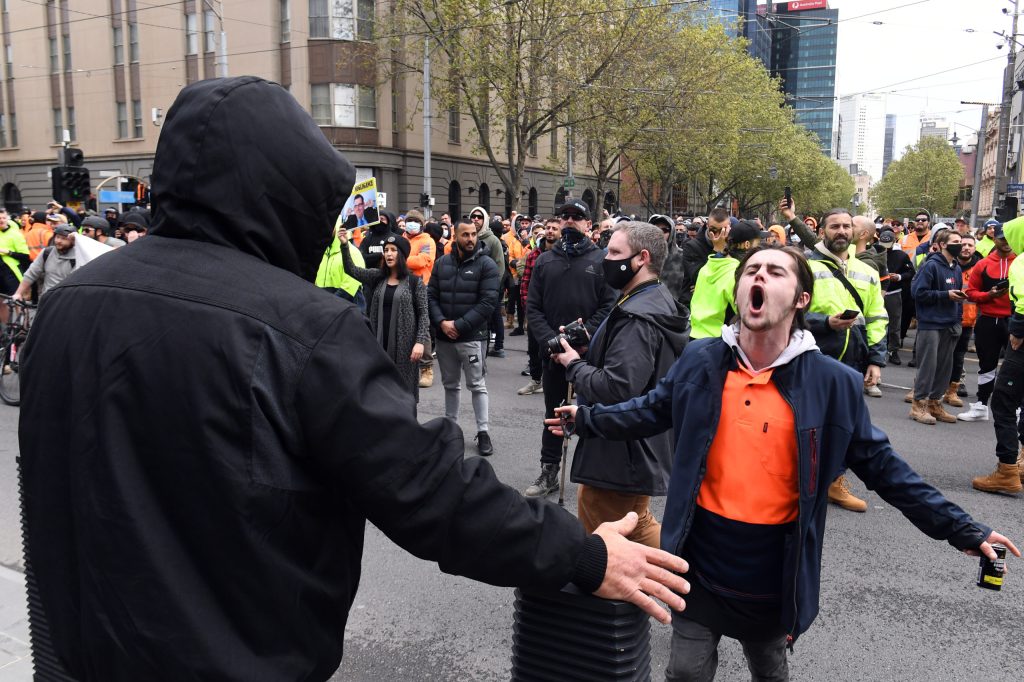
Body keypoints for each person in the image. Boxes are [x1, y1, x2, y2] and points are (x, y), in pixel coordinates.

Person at [18, 76, 690, 682]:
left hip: (85, 653)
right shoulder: (302, 326)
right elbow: (428, 490)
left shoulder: (68, 303)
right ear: (287, 198)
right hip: (236, 658)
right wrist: (583, 556)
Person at [549, 244, 1019, 682]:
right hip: (697, 556)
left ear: (800, 299)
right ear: (738, 294)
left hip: (774, 569)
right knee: (686, 671)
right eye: (750, 271)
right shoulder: (701, 359)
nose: (759, 277)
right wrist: (586, 418)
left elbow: (886, 469)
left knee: (770, 669)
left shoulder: (831, 382)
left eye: (774, 272)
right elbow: (650, 409)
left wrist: (963, 529)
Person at [551, 221, 689, 547]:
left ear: (642, 258)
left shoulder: (637, 314)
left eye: (615, 252)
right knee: (636, 522)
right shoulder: (648, 299)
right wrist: (590, 349)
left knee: (609, 534)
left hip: (620, 450)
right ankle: (683, 578)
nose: (606, 258)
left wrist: (573, 364)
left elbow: (618, 386)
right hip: (631, 446)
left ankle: (682, 579)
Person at [524, 199, 615, 497]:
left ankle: (598, 476)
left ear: (589, 224)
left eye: (578, 217)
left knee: (593, 413)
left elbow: (610, 305)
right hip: (552, 354)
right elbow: (533, 307)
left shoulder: (602, 261)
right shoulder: (544, 261)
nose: (571, 221)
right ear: (559, 222)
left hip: (590, 355)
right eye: (566, 216)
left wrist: (583, 334)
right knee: (554, 414)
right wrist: (551, 341)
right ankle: (549, 470)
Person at [804, 208, 888, 512]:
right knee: (803, 421)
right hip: (812, 356)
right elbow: (791, 312)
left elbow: (878, 316)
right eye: (834, 226)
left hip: (853, 361)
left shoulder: (867, 271)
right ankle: (795, 480)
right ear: (822, 231)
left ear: (854, 231)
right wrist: (826, 322)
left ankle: (834, 483)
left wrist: (875, 361)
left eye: (846, 226)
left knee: (845, 425)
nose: (841, 231)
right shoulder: (806, 266)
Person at [428, 218, 500, 456]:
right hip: (445, 337)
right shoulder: (441, 264)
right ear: (455, 237)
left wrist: (458, 325)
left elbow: (488, 302)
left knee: (477, 386)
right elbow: (431, 296)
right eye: (465, 235)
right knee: (450, 385)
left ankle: (483, 432)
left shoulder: (487, 264)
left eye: (473, 234)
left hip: (471, 337)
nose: (470, 239)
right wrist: (441, 322)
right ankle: (451, 428)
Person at [339, 231, 429, 403]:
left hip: (405, 348)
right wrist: (344, 245)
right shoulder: (377, 277)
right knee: (379, 391)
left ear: (402, 254)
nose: (388, 253)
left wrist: (420, 342)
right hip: (379, 344)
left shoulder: (414, 282)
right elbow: (351, 269)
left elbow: (424, 314)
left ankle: (406, 428)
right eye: (386, 249)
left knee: (404, 393)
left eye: (393, 250)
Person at [972, 214, 1024, 493]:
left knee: (1004, 402)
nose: (1004, 242)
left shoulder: (1021, 262)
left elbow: (1023, 302)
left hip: (1021, 340)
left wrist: (1017, 331)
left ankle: (1007, 470)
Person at [907, 228, 964, 425]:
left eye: (962, 241)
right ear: (942, 245)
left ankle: (934, 403)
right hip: (930, 323)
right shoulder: (930, 266)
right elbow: (918, 293)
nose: (961, 245)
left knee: (944, 369)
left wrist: (957, 320)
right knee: (928, 367)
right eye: (956, 241)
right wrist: (945, 295)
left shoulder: (956, 268)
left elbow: (958, 298)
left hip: (949, 324)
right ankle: (918, 405)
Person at [960, 224, 1015, 422]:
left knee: (1015, 366)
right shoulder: (983, 265)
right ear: (994, 239)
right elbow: (971, 292)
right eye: (1002, 238)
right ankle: (982, 405)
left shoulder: (1020, 261)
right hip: (989, 320)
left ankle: (1015, 407)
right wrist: (988, 295)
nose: (1006, 242)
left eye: (1009, 238)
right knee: (987, 364)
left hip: (1014, 320)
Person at [689, 221, 761, 339]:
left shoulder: (709, 266)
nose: (760, 248)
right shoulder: (737, 272)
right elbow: (747, 314)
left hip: (694, 338)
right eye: (758, 243)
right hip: (718, 342)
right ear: (747, 245)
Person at [517, 217, 559, 396]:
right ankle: (535, 380)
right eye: (548, 228)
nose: (550, 231)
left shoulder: (564, 254)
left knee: (557, 347)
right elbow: (525, 282)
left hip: (556, 311)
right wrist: (528, 308)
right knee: (534, 347)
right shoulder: (534, 254)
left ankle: (566, 383)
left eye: (554, 228)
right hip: (536, 311)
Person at [945, 234, 981, 407]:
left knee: (958, 358)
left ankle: (952, 390)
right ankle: (925, 386)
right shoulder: (948, 265)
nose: (966, 247)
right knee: (938, 355)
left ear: (975, 248)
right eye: (963, 244)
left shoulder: (980, 268)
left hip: (967, 321)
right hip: (946, 319)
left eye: (970, 245)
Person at [12, 222, 78, 301]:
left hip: (67, 302)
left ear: (73, 241)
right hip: (47, 300)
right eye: (57, 237)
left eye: (64, 238)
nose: (59, 241)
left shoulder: (78, 257)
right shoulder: (47, 252)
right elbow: (31, 273)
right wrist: (18, 293)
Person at [678, 207, 729, 307]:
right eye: (714, 230)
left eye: (723, 230)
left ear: (729, 227)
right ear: (707, 226)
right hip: (697, 306)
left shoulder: (732, 244)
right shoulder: (691, 246)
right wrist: (717, 250)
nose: (718, 235)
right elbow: (699, 277)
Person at [878, 229, 914, 365]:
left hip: (893, 293)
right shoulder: (874, 252)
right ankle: (876, 349)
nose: (885, 250)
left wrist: (899, 277)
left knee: (894, 324)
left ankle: (893, 350)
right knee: (876, 322)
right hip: (876, 292)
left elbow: (911, 272)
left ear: (894, 242)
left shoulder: (901, 255)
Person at [315, 218, 367, 310]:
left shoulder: (353, 252)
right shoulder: (323, 253)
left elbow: (350, 286)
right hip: (326, 307)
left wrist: (329, 303)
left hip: (346, 309)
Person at [0, 207, 30, 296]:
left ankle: (20, 310)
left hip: (10, 272)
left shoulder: (15, 234)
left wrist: (8, 252)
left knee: (17, 299)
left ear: (7, 219)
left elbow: (25, 256)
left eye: (3, 218)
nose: (1, 220)